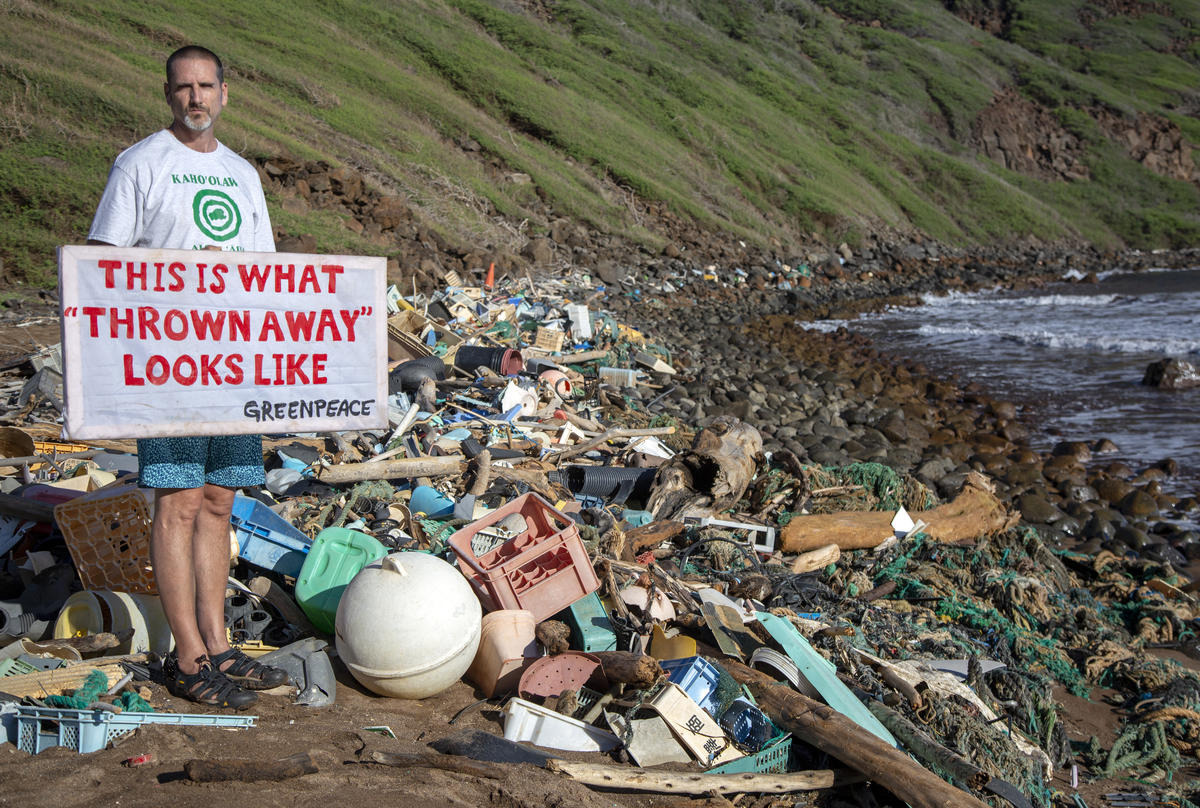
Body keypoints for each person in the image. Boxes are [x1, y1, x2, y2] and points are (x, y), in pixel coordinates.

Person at [88, 45, 285, 709]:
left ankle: (221, 644)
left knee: (218, 501)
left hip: (230, 363)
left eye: (206, 86)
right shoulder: (141, 164)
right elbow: (102, 267)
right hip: (166, 364)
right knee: (176, 501)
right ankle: (188, 656)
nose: (195, 98)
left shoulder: (243, 176)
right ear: (167, 94)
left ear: (225, 94)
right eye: (183, 88)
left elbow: (266, 277)